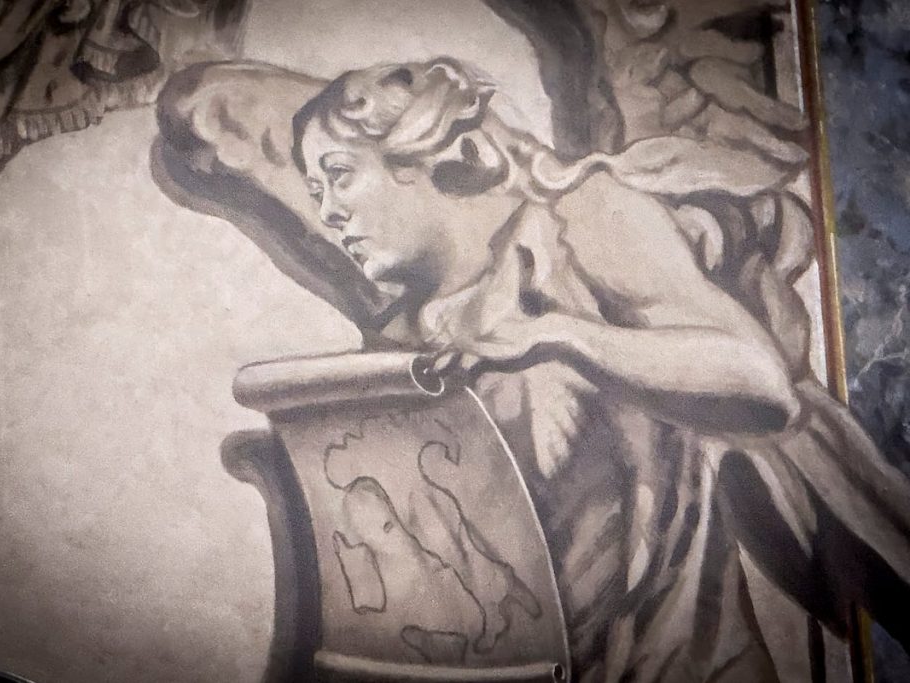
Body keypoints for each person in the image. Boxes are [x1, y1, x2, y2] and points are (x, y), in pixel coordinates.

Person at [291, 58, 910, 682]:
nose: (328, 212)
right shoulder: (404, 333)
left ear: (425, 154)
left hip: (674, 664)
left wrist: (560, 336)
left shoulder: (580, 219)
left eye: (339, 176)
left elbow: (758, 380)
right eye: (315, 191)